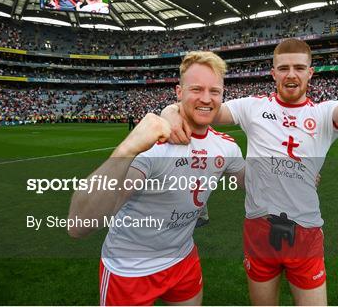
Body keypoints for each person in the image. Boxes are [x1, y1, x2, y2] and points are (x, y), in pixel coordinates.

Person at [162, 13, 338, 305]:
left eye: (299, 68)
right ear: (273, 73)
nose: (291, 74)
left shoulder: (323, 115)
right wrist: (171, 111)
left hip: (305, 231)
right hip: (258, 229)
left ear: (311, 73)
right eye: (283, 68)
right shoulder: (251, 108)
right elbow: (201, 108)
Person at [67, 51, 245, 306]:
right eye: (196, 89)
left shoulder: (226, 147)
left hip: (183, 259)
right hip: (130, 269)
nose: (207, 98)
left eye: (214, 91)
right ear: (179, 92)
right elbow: (79, 226)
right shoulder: (155, 146)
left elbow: (252, 182)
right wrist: (127, 149)